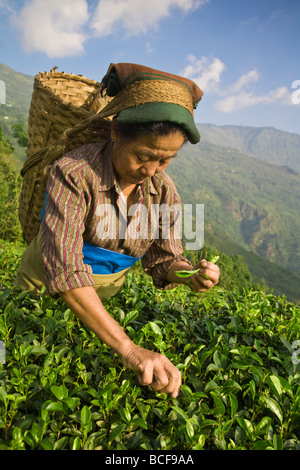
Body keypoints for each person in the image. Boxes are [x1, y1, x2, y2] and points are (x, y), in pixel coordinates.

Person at [16, 63, 220, 398]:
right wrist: (128, 349)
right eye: (144, 155)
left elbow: (165, 261)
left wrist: (190, 274)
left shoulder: (163, 192)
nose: (151, 170)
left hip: (100, 312)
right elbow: (66, 270)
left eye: (165, 160)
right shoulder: (74, 174)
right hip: (42, 288)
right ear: (115, 132)